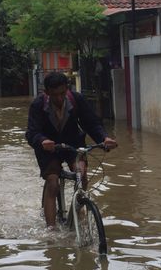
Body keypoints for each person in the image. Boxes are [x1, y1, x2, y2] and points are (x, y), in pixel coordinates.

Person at [25, 72, 117, 228]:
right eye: (55, 95)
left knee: (81, 173)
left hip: (73, 145)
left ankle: (78, 210)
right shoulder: (38, 105)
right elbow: (31, 132)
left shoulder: (77, 100)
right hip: (49, 148)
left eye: (62, 93)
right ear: (47, 93)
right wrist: (42, 140)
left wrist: (104, 138)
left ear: (67, 89)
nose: (60, 98)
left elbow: (91, 123)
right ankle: (51, 230)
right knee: (53, 182)